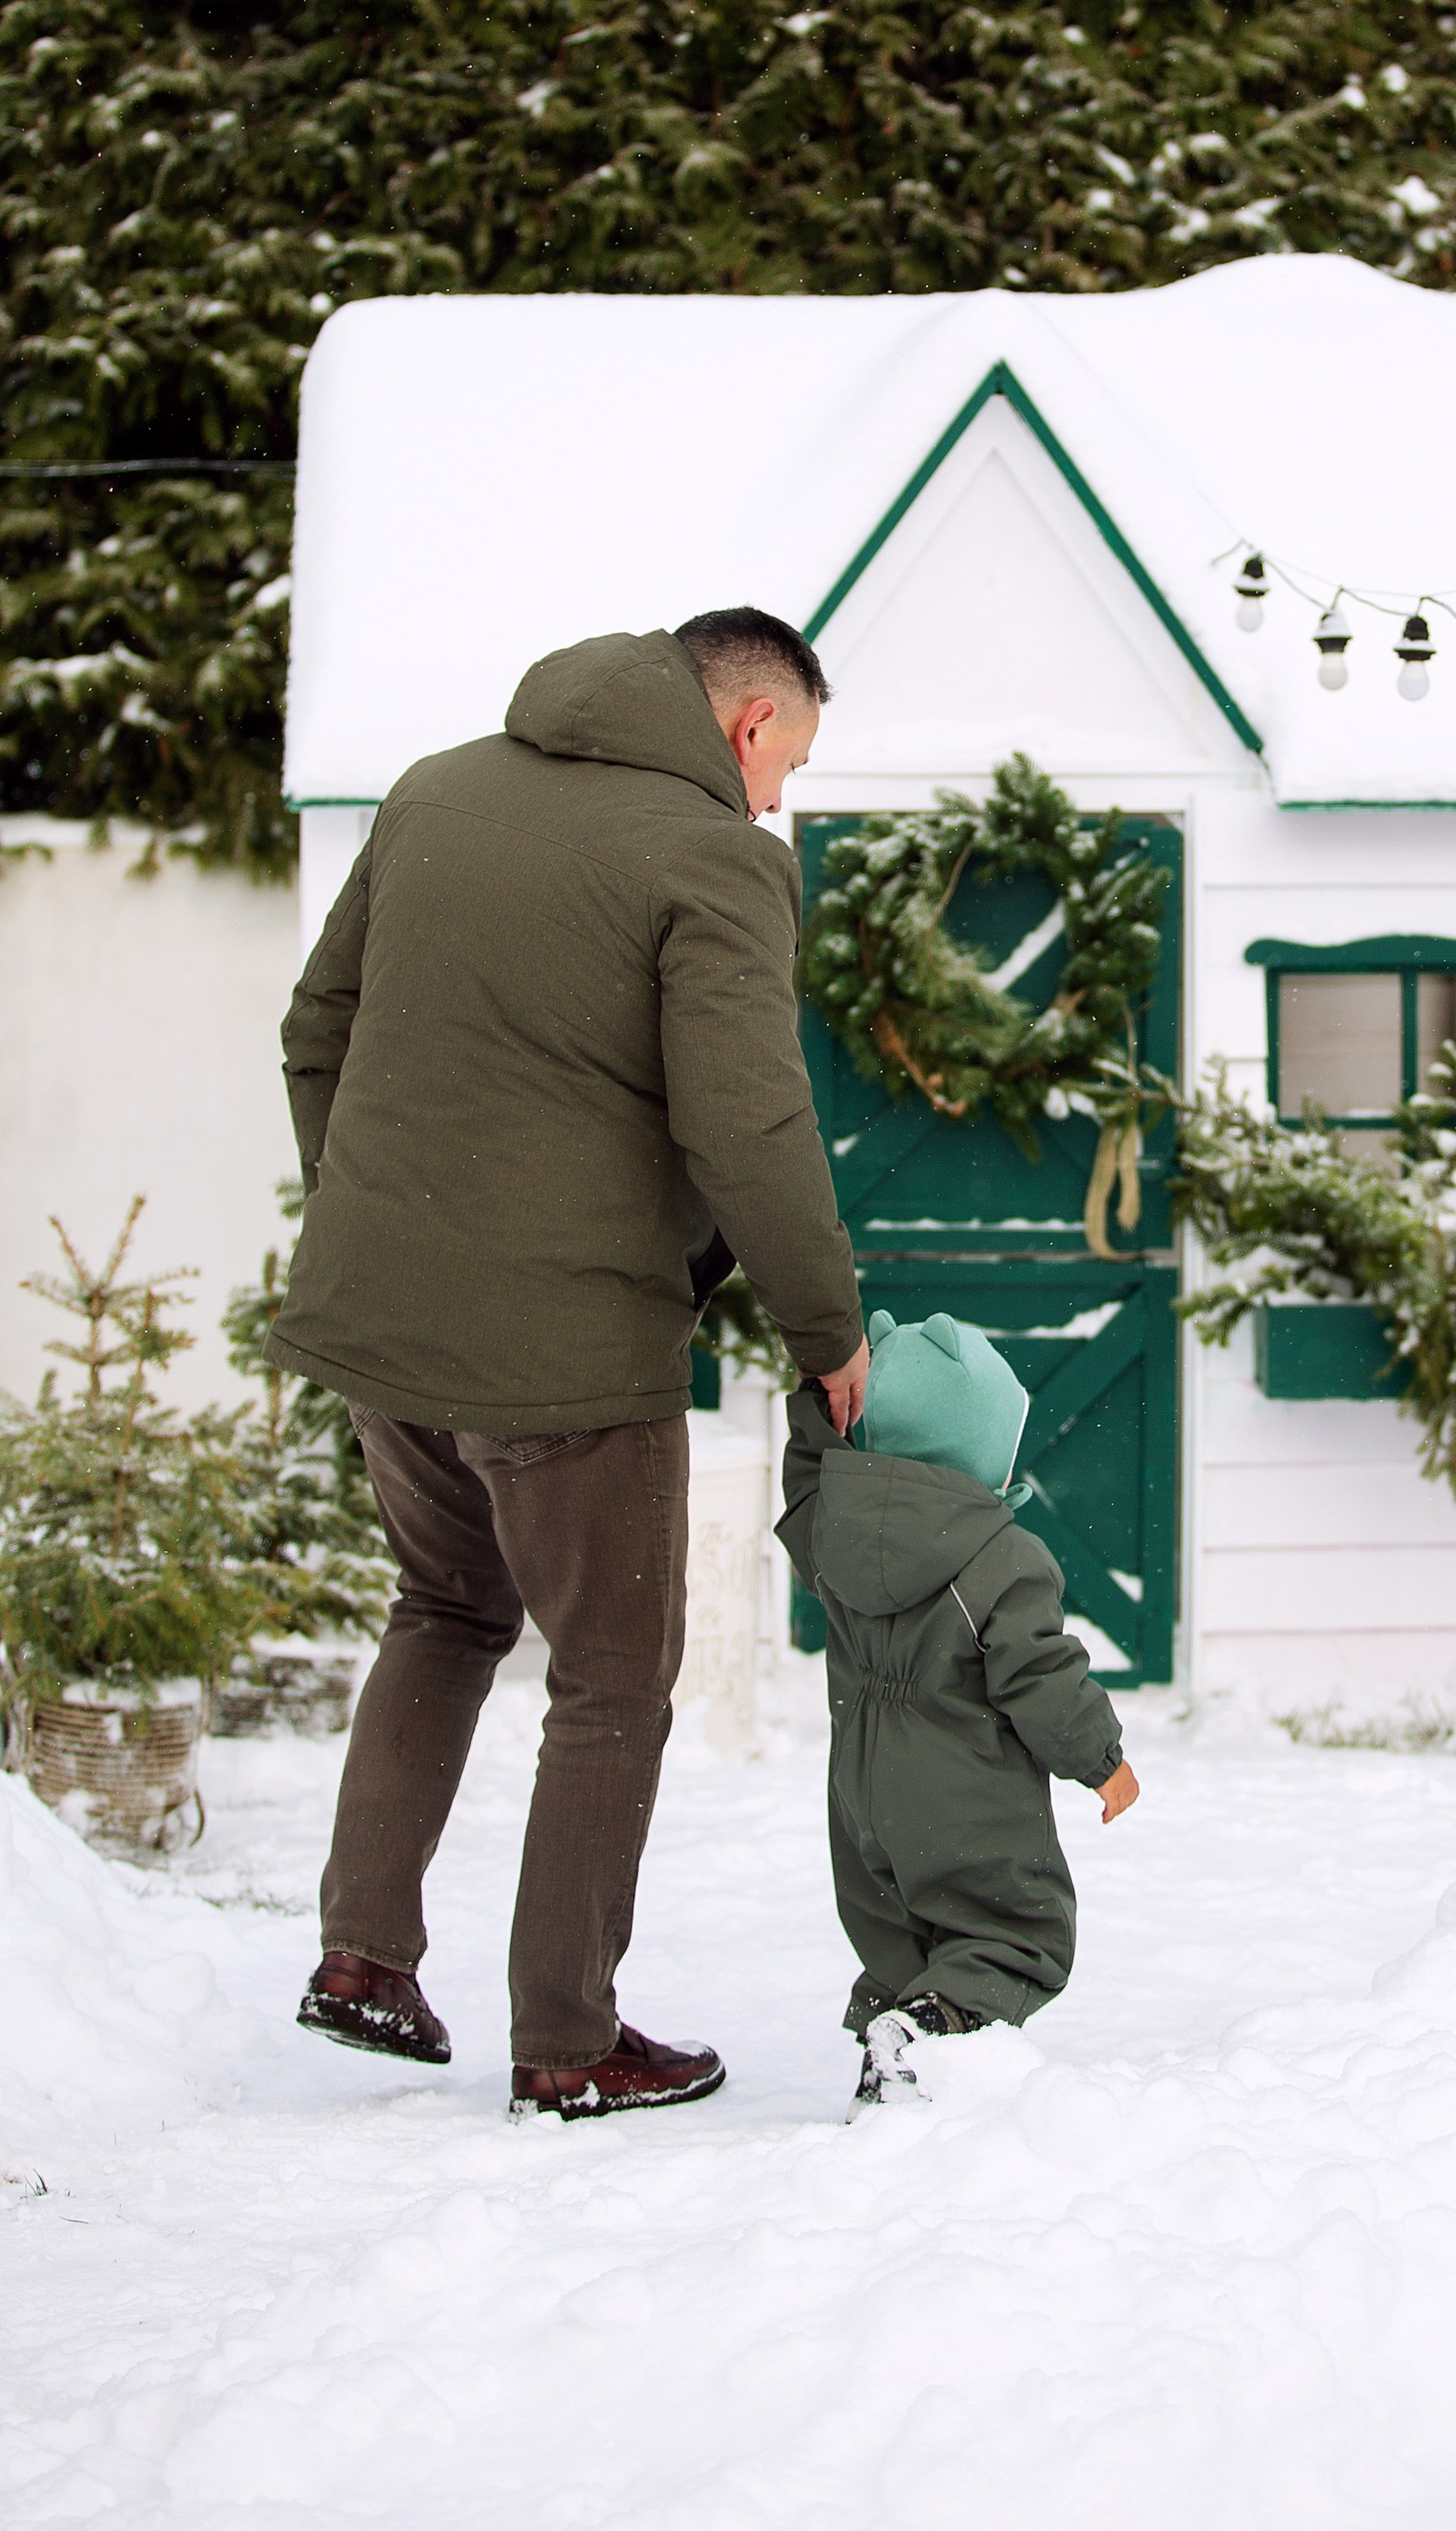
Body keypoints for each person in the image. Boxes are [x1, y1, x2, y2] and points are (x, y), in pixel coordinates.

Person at [270, 608, 867, 2120]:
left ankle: (362, 1961)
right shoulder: (717, 859)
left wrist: (376, 1226)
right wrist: (827, 1328)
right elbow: (747, 1126)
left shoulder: (435, 790)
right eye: (788, 759)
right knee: (610, 1678)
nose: (783, 797)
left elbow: (315, 1026)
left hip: (381, 1323)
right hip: (567, 1351)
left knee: (445, 1604)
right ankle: (567, 2040)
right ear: (747, 724)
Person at [777, 1306, 1140, 2116]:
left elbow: (806, 1477)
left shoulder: (834, 1524)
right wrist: (1100, 1758)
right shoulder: (1000, 1558)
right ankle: (930, 2037)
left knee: (900, 1934)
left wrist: (817, 1398)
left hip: (863, 1800)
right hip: (963, 1793)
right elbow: (1040, 1674)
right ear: (979, 1453)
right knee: (1018, 1933)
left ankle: (898, 2047)